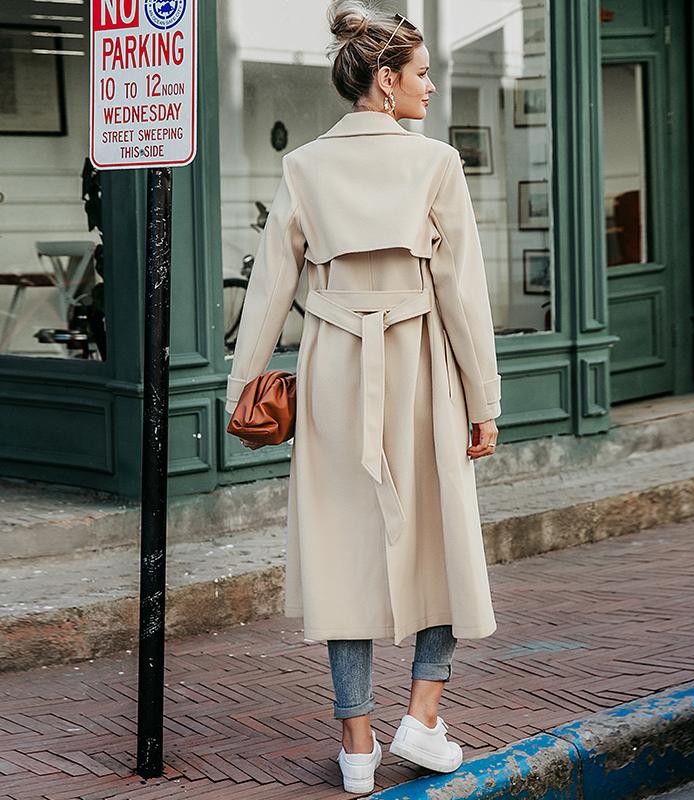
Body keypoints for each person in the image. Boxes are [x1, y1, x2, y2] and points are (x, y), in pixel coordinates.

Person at [225, 1, 501, 792]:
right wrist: (484, 398)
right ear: (385, 81)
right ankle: (421, 719)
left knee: (343, 549)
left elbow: (270, 287)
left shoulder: (303, 167)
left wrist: (245, 387)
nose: (433, 87)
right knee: (439, 540)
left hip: (334, 372)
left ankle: (355, 748)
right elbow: (462, 295)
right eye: (421, 74)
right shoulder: (435, 164)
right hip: (422, 369)